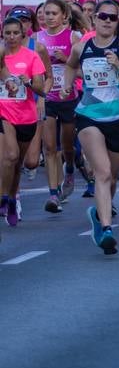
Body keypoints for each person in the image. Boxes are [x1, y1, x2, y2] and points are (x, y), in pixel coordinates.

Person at [68, 0, 119, 254]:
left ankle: (98, 212)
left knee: (111, 176)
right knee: (102, 173)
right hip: (88, 115)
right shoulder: (82, 47)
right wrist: (67, 86)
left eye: (112, 17)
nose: (106, 20)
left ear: (118, 22)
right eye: (102, 16)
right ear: (94, 19)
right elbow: (70, 65)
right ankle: (106, 230)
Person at [34, 0, 85, 209]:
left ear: (64, 15)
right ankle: (54, 194)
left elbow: (84, 71)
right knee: (49, 147)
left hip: (68, 97)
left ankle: (71, 168)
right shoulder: (37, 39)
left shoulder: (74, 37)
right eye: (47, 13)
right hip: (46, 99)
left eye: (54, 13)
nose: (49, 17)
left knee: (66, 146)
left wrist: (66, 60)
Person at [0, 17, 49, 226]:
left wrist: (27, 82)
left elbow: (40, 89)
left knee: (18, 163)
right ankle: (3, 198)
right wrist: (8, 81)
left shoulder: (31, 57)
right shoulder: (0, 54)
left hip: (26, 116)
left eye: (15, 33)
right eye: (7, 33)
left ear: (22, 35)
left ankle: (12, 199)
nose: (11, 37)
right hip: (3, 112)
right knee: (10, 156)